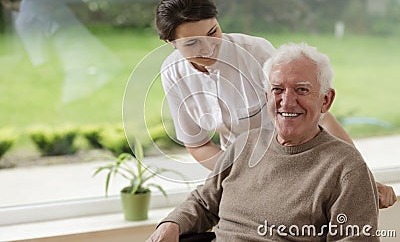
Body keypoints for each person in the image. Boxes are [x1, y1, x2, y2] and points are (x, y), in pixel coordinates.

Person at [156, 0, 396, 208]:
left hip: (298, 160)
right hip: (239, 171)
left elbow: (319, 117)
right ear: (171, 43)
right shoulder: (172, 73)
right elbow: (197, 144)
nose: (207, 49)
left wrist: (364, 179)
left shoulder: (255, 53)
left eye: (212, 32)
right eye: (193, 43)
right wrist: (241, 174)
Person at [147, 42, 380, 241]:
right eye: (278, 89)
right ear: (267, 97)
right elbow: (203, 202)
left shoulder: (346, 168)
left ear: (326, 100)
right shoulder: (244, 144)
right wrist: (172, 223)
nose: (287, 102)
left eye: (301, 89)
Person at [0, 0, 123, 103]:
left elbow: (44, 67)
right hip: (108, 65)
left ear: (5, 0)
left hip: (85, 79)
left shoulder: (25, 18)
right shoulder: (49, 2)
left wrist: (53, 102)